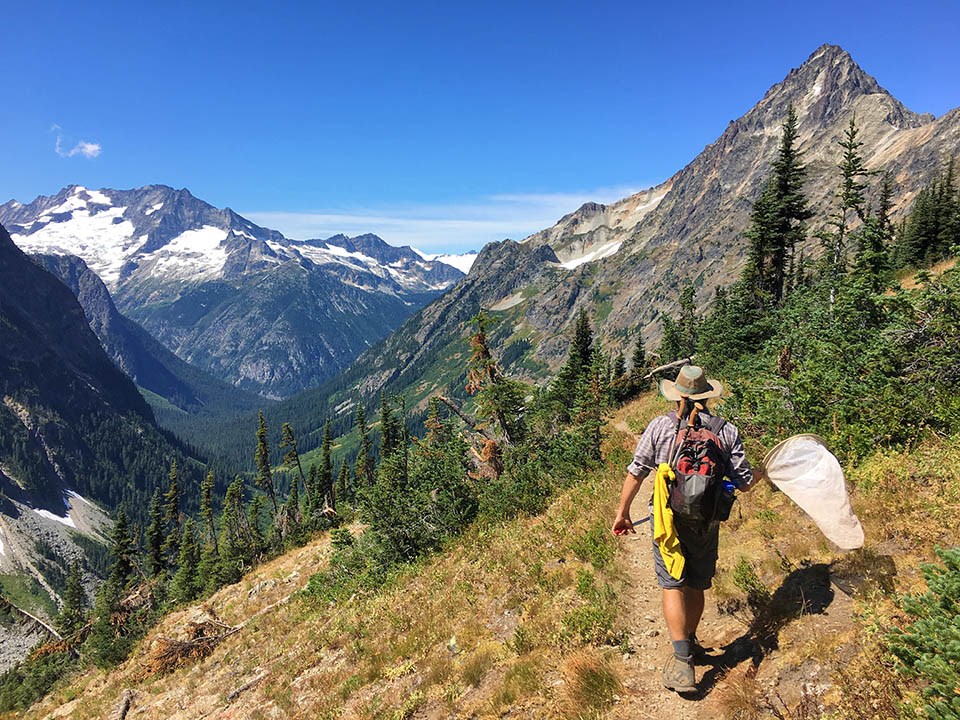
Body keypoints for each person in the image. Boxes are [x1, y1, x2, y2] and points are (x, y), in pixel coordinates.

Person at [612, 364, 763, 694]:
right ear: (708, 396)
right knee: (696, 581)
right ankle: (690, 640)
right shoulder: (726, 431)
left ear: (677, 395)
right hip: (706, 520)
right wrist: (764, 471)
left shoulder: (660, 427)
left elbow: (636, 472)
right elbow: (745, 482)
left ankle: (683, 663)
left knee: (671, 583)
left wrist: (623, 513)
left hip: (667, 519)